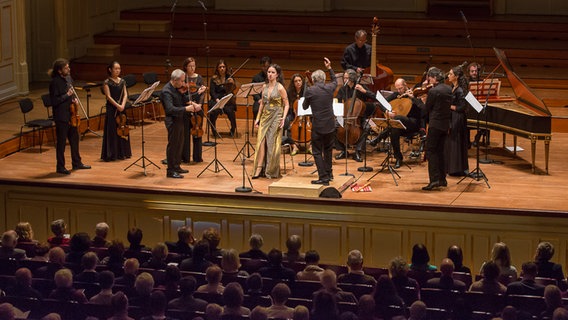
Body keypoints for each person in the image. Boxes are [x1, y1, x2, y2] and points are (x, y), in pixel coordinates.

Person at [370, 78, 425, 169]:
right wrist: (387, 112)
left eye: (401, 88)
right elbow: (381, 103)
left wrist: (413, 98)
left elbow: (422, 108)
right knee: (394, 129)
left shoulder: (414, 94)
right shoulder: (396, 95)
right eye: (397, 89)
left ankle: (380, 137)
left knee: (397, 118)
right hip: (400, 125)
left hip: (413, 123)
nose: (399, 91)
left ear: (405, 85)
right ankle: (398, 158)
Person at [49, 58, 91, 174]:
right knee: (61, 143)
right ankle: (60, 167)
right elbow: (54, 101)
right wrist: (67, 95)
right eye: (66, 68)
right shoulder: (54, 83)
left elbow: (71, 94)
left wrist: (74, 99)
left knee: (74, 139)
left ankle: (77, 163)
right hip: (61, 116)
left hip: (71, 115)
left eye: (68, 67)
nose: (69, 69)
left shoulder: (68, 79)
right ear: (59, 70)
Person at [161, 68, 201, 179]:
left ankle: (177, 166)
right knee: (173, 145)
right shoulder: (166, 91)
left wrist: (193, 103)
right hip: (172, 121)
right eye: (182, 81)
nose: (183, 83)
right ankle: (170, 170)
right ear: (175, 80)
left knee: (180, 144)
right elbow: (170, 109)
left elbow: (184, 99)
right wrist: (186, 109)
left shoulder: (177, 88)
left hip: (180, 119)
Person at [303, 57, 337, 186]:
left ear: (314, 79)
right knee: (328, 150)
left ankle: (323, 177)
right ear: (323, 79)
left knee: (317, 151)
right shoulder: (329, 88)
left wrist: (307, 90)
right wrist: (329, 68)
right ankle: (329, 173)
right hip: (330, 125)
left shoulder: (310, 91)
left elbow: (305, 107)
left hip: (318, 126)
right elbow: (335, 80)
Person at [252, 64, 290, 179]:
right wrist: (257, 118)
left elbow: (287, 104)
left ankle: (270, 169)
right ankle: (259, 168)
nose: (270, 74)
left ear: (277, 74)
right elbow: (262, 104)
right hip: (265, 116)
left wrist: (283, 118)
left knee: (271, 142)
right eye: (269, 72)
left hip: (276, 116)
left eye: (273, 72)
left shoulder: (280, 88)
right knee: (261, 141)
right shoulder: (264, 87)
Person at [334, 69, 378, 162]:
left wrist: (364, 91)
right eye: (344, 78)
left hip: (359, 116)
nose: (345, 80)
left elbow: (374, 97)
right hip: (346, 116)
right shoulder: (343, 89)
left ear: (352, 79)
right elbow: (337, 101)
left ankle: (357, 151)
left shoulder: (360, 87)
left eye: (347, 78)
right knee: (334, 126)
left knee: (366, 128)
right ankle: (343, 150)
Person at [421, 67, 452, 190]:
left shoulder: (433, 91)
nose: (429, 81)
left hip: (435, 124)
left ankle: (434, 180)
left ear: (434, 78)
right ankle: (442, 179)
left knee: (431, 151)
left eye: (429, 79)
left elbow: (426, 109)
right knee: (440, 151)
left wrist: (421, 100)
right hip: (445, 124)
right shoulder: (448, 89)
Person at [101, 61, 132, 162]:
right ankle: (112, 153)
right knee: (113, 131)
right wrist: (118, 106)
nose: (118, 70)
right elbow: (108, 97)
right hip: (112, 109)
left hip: (121, 109)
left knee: (122, 129)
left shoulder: (122, 81)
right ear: (110, 70)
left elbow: (125, 94)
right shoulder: (106, 82)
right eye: (116, 69)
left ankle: (123, 152)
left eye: (119, 68)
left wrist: (122, 105)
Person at [445, 65, 470, 176]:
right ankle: (451, 167)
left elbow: (462, 108)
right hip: (452, 116)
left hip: (457, 118)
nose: (448, 75)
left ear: (457, 76)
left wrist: (448, 106)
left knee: (456, 142)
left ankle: (457, 168)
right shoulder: (452, 87)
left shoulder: (460, 90)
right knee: (451, 142)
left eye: (450, 74)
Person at [182, 57, 207, 163]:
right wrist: (192, 104)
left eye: (194, 65)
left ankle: (197, 157)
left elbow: (202, 93)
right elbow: (183, 95)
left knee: (197, 132)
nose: (192, 68)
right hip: (187, 107)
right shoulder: (183, 78)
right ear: (185, 67)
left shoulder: (199, 77)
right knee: (185, 134)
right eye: (190, 66)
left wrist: (200, 104)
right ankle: (185, 157)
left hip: (198, 108)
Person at [209, 59, 237, 137]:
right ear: (217, 68)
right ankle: (214, 130)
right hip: (217, 99)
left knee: (231, 111)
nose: (222, 68)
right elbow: (212, 92)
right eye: (220, 67)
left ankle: (233, 129)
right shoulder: (213, 78)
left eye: (223, 67)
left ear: (226, 68)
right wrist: (217, 99)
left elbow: (233, 90)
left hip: (227, 100)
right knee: (214, 112)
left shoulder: (229, 77)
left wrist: (233, 83)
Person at [285, 73, 305, 155]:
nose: (298, 82)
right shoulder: (289, 92)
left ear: (302, 81)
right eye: (296, 81)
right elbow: (286, 104)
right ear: (293, 83)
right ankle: (294, 146)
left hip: (305, 115)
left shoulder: (306, 91)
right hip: (293, 114)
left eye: (299, 80)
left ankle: (309, 146)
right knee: (288, 125)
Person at [252, 56, 272, 121]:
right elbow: (254, 92)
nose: (265, 68)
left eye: (266, 66)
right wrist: (259, 99)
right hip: (260, 100)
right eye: (263, 66)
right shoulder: (256, 77)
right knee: (256, 110)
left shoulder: (274, 76)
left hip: (272, 99)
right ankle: (259, 126)